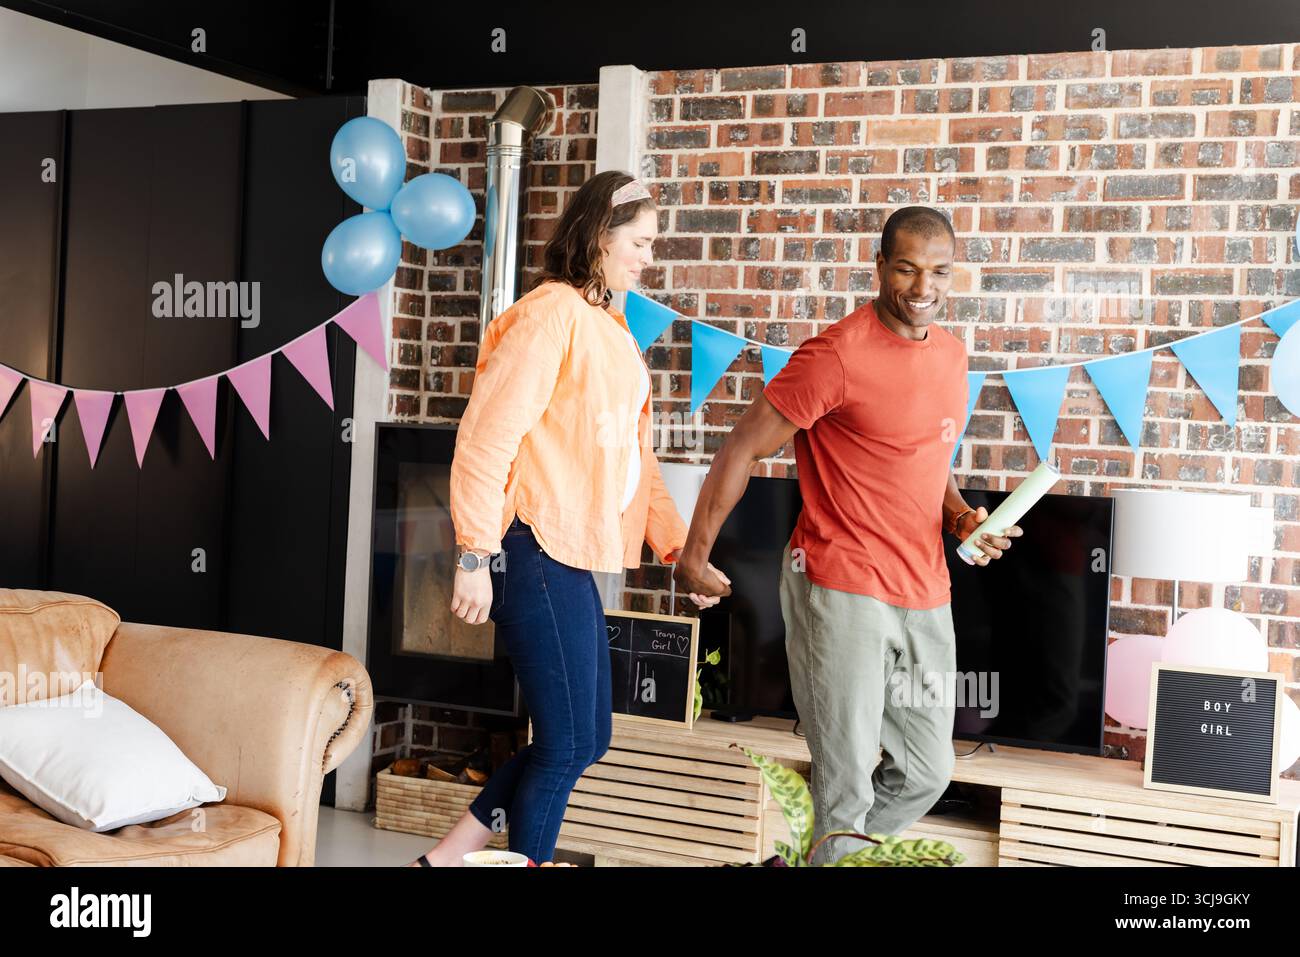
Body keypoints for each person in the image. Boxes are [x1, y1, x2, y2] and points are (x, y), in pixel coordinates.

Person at [673, 206, 1023, 864]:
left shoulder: (952, 356)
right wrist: (694, 554)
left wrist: (963, 517)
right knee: (847, 777)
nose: (924, 287)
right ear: (879, 267)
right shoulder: (836, 355)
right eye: (907, 269)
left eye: (940, 271)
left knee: (928, 769)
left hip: (925, 589)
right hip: (839, 583)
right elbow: (741, 448)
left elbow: (927, 462)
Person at [408, 170, 729, 867]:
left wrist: (679, 551)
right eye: (639, 242)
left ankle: (442, 861)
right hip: (526, 544)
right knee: (562, 743)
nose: (648, 257)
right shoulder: (547, 314)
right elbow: (487, 436)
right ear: (598, 234)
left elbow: (635, 460)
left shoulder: (609, 326)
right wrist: (473, 552)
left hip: (571, 551)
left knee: (588, 738)